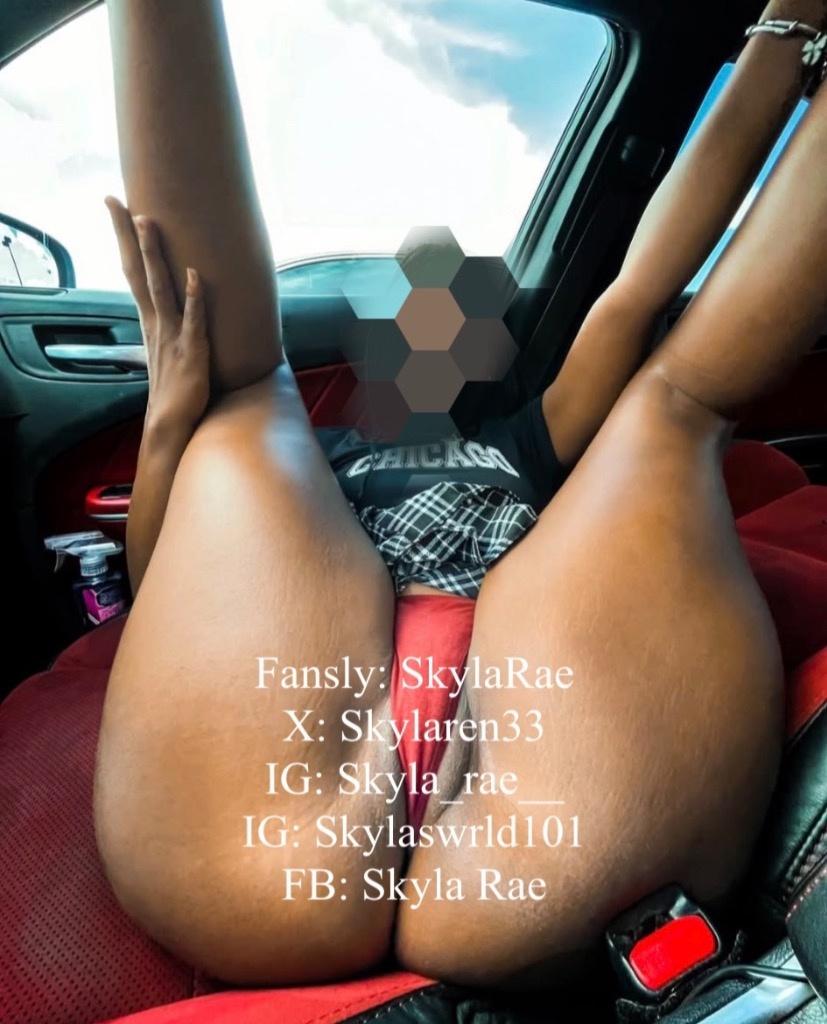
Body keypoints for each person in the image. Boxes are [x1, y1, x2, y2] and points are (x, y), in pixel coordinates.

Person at [94, 0, 827, 990]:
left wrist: (776, 44)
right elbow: (165, 590)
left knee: (668, 403)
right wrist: (168, 422)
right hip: (284, 816)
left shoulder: (529, 437)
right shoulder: (310, 459)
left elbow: (635, 290)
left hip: (536, 792)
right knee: (234, 394)